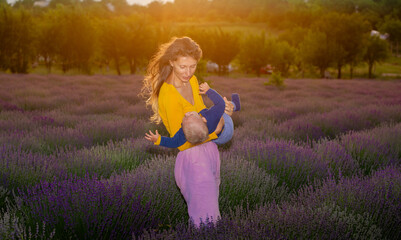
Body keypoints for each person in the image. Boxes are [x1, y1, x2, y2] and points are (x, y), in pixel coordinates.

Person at [141, 36, 235, 226]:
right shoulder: (168, 95)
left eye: (193, 66)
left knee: (211, 212)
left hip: (209, 151)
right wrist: (217, 130)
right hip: (193, 157)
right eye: (183, 66)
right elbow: (184, 138)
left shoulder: (192, 80)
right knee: (205, 220)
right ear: (171, 62)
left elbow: (201, 111)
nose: (188, 72)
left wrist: (222, 110)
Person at [144, 82, 241, 148]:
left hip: (218, 138)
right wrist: (208, 90)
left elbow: (174, 142)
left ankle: (234, 106)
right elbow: (220, 103)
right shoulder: (210, 117)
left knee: (220, 111)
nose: (186, 114)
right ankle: (235, 104)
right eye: (190, 115)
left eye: (185, 118)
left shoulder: (186, 130)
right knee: (224, 110)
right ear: (203, 119)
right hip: (226, 131)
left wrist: (158, 140)